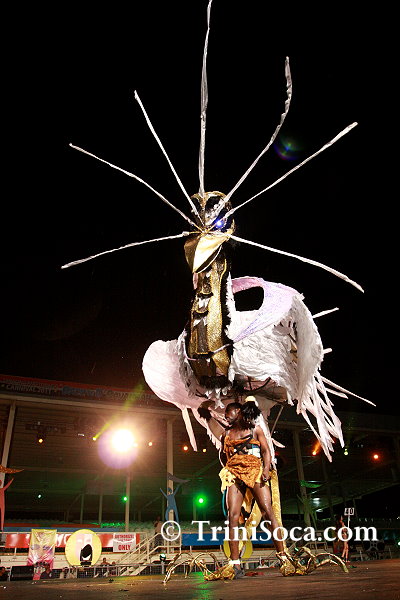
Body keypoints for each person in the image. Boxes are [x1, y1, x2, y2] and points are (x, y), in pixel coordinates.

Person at [200, 398, 287, 579]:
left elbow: (266, 451)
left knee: (267, 512)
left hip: (255, 471)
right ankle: (235, 563)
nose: (226, 417)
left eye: (228, 413)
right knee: (232, 516)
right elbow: (210, 424)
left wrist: (266, 469)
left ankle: (283, 557)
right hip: (234, 474)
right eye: (225, 415)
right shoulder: (226, 434)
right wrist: (205, 410)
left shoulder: (255, 429)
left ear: (238, 412)